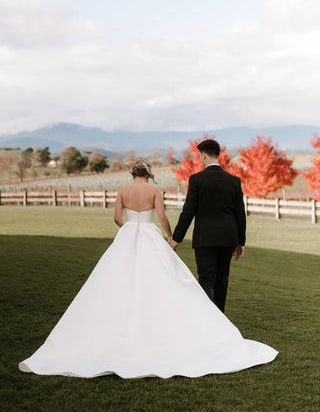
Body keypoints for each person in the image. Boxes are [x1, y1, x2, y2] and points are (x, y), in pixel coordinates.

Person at [18, 159, 277, 379]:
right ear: (148, 174)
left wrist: (130, 229)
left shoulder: (122, 190)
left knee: (116, 279)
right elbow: (162, 216)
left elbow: (117, 218)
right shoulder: (154, 191)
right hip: (151, 236)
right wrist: (168, 236)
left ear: (133, 174)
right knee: (165, 279)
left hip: (128, 235)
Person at [170, 139, 246, 313]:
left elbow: (188, 212)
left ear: (204, 155)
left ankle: (209, 321)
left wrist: (176, 239)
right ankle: (220, 320)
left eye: (199, 156)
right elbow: (240, 215)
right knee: (222, 279)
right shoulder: (234, 181)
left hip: (205, 238)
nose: (199, 159)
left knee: (206, 279)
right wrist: (241, 242)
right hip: (228, 238)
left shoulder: (197, 180)